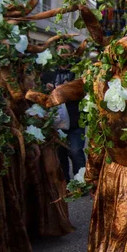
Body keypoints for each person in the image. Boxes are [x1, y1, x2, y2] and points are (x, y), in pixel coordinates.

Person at [45, 43, 86, 182]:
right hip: (56, 122)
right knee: (60, 154)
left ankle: (80, 183)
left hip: (75, 121)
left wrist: (71, 88)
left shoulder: (78, 70)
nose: (63, 54)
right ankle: (65, 183)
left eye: (66, 51)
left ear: (72, 53)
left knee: (75, 152)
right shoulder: (50, 71)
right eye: (60, 51)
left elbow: (83, 89)